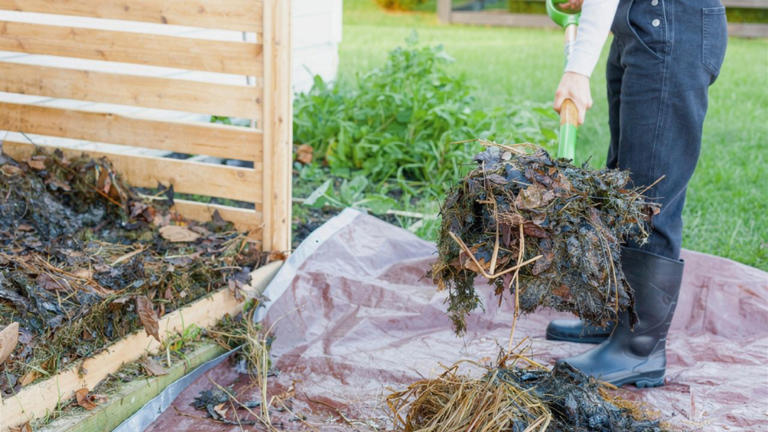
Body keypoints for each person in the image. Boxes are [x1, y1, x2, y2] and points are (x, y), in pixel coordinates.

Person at [546, 0, 728, 387]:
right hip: (637, 24)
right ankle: (617, 317)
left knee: (648, 195)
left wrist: (578, 69)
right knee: (623, 180)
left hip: (672, 26)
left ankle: (638, 348)